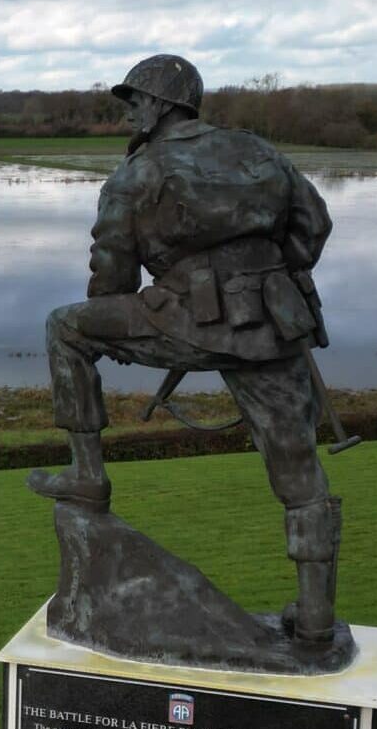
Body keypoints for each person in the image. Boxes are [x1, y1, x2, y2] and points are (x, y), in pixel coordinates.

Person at [30, 54, 344, 645]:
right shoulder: (257, 150)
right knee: (299, 469)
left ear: (165, 105)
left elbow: (112, 273)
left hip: (186, 318)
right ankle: (317, 619)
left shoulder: (136, 173)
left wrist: (122, 314)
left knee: (65, 327)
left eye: (138, 101)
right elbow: (314, 224)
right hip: (272, 323)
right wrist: (273, 279)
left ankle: (88, 475)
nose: (132, 113)